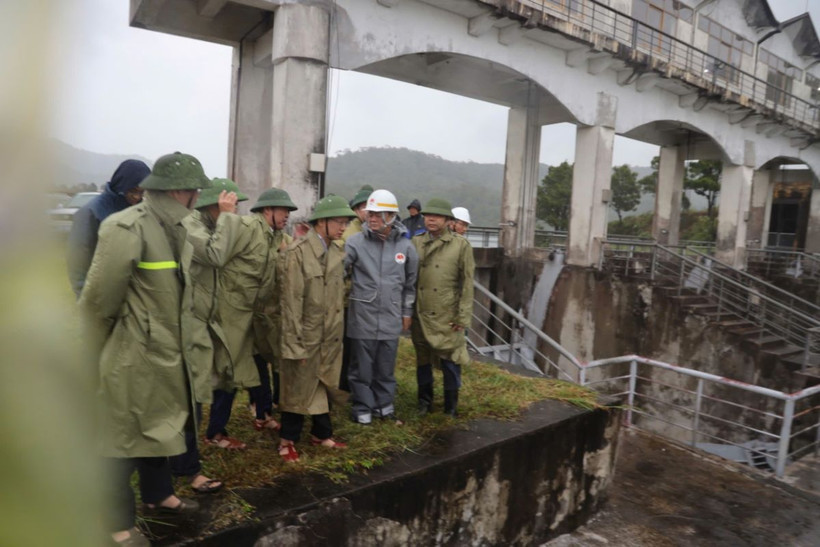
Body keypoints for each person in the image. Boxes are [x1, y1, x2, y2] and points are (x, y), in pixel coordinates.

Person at [79, 152, 212, 546]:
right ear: (179, 191)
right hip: (133, 355)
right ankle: (116, 523)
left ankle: (159, 495)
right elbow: (97, 302)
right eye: (195, 190)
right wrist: (93, 357)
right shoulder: (126, 227)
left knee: (160, 429)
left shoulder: (179, 227)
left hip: (169, 353)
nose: (198, 197)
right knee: (121, 441)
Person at [278, 194, 356, 462]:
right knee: (297, 387)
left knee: (324, 381)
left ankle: (322, 434)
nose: (344, 227)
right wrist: (293, 343)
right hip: (306, 335)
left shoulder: (336, 252)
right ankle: (287, 439)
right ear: (321, 222)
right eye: (340, 221)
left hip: (329, 335)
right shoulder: (297, 253)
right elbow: (291, 302)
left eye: (346, 222)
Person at [182, 178, 249, 454]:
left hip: (217, 316)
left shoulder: (215, 225)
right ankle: (186, 456)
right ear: (213, 207)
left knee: (227, 374)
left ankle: (215, 432)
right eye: (228, 207)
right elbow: (215, 254)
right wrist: (226, 218)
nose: (235, 213)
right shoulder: (191, 227)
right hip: (193, 320)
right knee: (194, 388)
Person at [345, 189, 418, 425]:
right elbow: (339, 273)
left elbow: (410, 284)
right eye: (370, 213)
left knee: (386, 366)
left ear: (391, 216)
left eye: (378, 214)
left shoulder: (406, 247)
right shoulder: (355, 243)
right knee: (362, 368)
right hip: (362, 315)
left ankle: (384, 406)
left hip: (390, 315)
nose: (371, 218)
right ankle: (362, 407)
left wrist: (407, 312)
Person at [411, 198, 475, 417]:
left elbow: (467, 284)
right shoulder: (416, 242)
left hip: (447, 313)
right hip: (421, 310)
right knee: (423, 359)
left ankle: (451, 405)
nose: (431, 219)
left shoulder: (460, 245)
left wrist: (462, 317)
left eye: (437, 216)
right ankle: (424, 401)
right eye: (428, 215)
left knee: (450, 359)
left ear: (448, 220)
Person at [248, 188, 298, 433]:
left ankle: (271, 408)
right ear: (268, 210)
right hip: (252, 312)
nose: (287, 215)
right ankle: (262, 411)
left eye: (289, 211)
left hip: (274, 314)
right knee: (257, 363)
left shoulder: (282, 239)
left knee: (276, 362)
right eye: (284, 210)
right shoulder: (252, 234)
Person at [67, 159, 149, 298]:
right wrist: (86, 298)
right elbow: (78, 261)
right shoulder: (91, 213)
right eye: (133, 191)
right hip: (100, 295)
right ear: (121, 185)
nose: (137, 197)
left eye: (142, 192)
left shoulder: (140, 211)